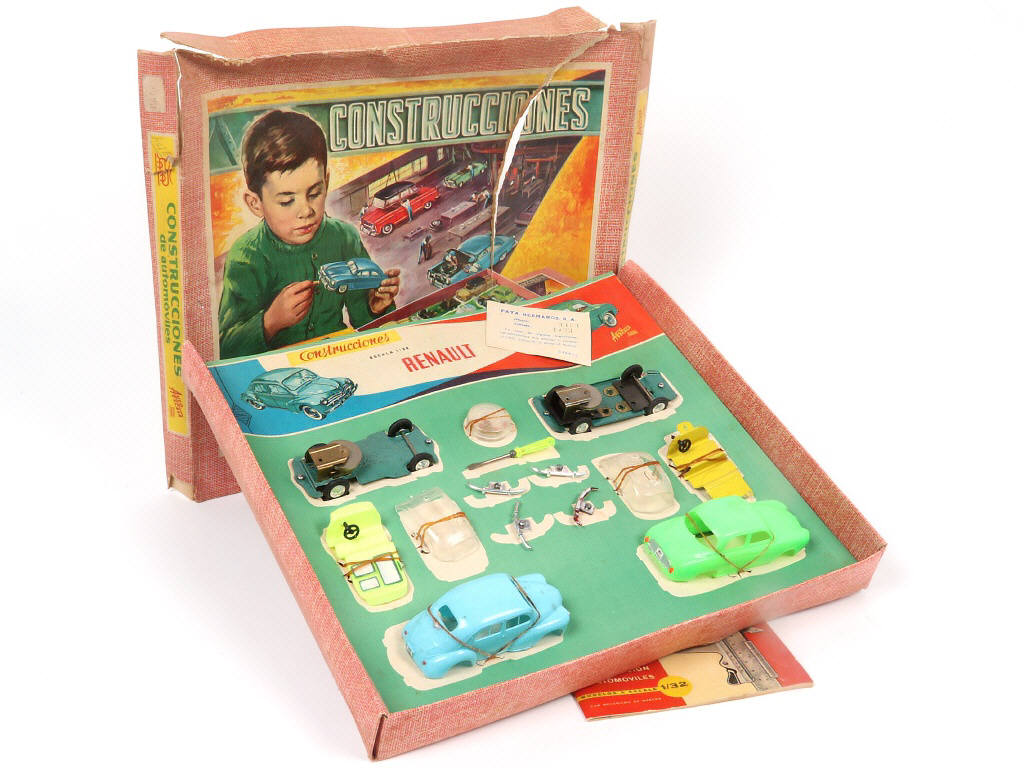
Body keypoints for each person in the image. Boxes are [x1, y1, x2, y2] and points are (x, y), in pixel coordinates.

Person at [218, 110, 400, 358]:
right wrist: (270, 322)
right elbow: (226, 348)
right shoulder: (246, 255)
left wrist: (375, 308)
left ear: (326, 181)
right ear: (255, 203)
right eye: (286, 201)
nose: (306, 211)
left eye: (314, 193)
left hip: (339, 357)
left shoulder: (344, 237)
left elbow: (365, 324)